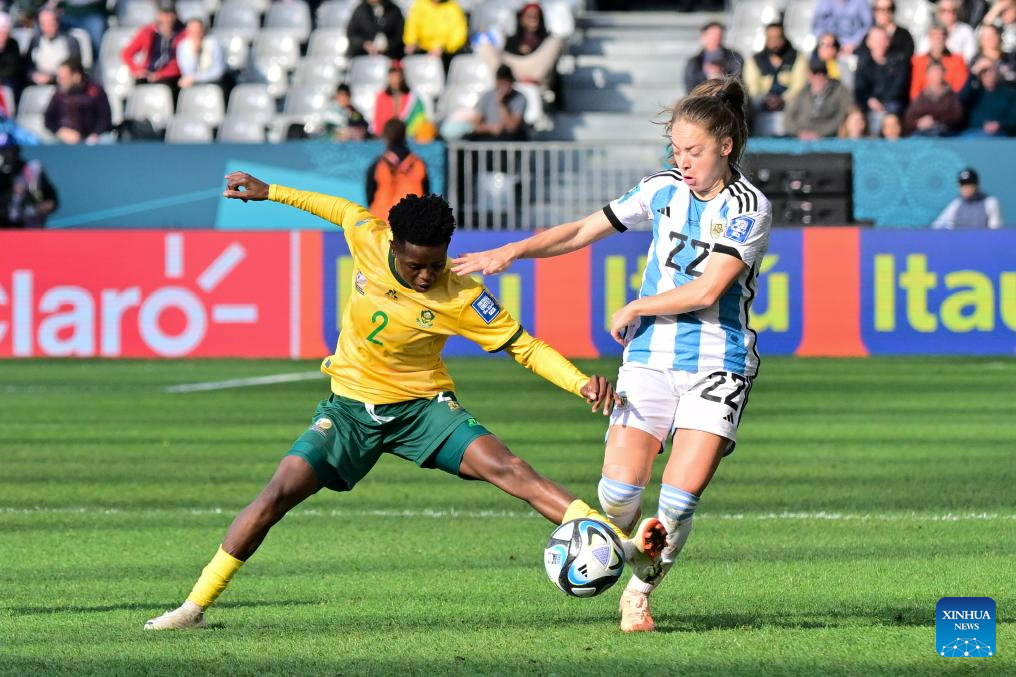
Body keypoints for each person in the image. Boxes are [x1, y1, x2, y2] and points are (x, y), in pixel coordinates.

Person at [143, 173, 666, 631]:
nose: (425, 275)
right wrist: (270, 192)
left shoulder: (461, 296)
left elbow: (524, 347)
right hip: (349, 410)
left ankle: (621, 547)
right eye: (416, 265)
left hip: (422, 409)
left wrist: (579, 383)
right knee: (274, 496)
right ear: (393, 245)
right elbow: (334, 207)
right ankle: (193, 607)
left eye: (434, 265)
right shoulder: (367, 239)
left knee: (510, 469)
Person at [453, 76, 771, 634]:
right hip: (649, 357)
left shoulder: (749, 208)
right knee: (618, 495)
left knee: (676, 500)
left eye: (693, 150)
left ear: (725, 145)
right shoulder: (660, 188)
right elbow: (582, 230)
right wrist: (512, 251)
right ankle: (622, 549)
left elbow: (707, 291)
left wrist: (636, 305)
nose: (682, 160)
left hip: (718, 363)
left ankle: (638, 595)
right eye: (675, 148)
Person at [366, 118, 428, 220]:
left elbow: (370, 194)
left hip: (383, 220)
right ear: (404, 135)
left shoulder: (378, 164)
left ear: (385, 136)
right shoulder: (419, 163)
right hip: (413, 220)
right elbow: (426, 193)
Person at [43, 58, 112, 144]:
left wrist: (95, 135)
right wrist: (61, 132)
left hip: (93, 140)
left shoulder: (95, 92)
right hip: (64, 140)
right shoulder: (58, 94)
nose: (59, 81)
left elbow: (104, 118)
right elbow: (48, 120)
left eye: (63, 78)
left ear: (76, 76)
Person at [854, 25, 911, 124]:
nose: (879, 43)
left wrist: (883, 103)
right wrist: (869, 100)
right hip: (869, 104)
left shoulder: (899, 60)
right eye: (876, 39)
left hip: (892, 104)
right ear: (868, 42)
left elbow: (899, 87)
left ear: (888, 41)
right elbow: (860, 89)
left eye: (883, 39)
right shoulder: (862, 63)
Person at [785, 58, 854, 139]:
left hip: (830, 138)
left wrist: (821, 133)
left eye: (823, 72)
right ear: (809, 75)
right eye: (815, 73)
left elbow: (846, 114)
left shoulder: (839, 90)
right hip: (801, 138)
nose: (819, 76)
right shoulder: (802, 93)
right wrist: (799, 132)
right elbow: (788, 118)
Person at [121, 0, 184, 87]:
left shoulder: (182, 33)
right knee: (140, 84)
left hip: (170, 77)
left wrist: (160, 75)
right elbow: (126, 53)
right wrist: (137, 70)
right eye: (164, 14)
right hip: (148, 73)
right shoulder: (148, 32)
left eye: (170, 14)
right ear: (158, 15)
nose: (167, 18)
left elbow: (179, 63)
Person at [0, 133, 58, 228]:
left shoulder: (31, 170)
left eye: (9, 151)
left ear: (16, 151)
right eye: (2, 151)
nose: (6, 155)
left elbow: (51, 201)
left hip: (27, 228)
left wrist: (37, 206)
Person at [465, 64, 527, 141]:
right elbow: (476, 124)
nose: (505, 87)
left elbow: (512, 127)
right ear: (497, 82)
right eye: (502, 82)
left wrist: (502, 104)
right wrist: (491, 128)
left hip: (509, 139)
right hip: (489, 136)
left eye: (507, 83)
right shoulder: (487, 96)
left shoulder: (519, 98)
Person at [903, 60, 964, 136]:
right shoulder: (921, 97)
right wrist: (918, 123)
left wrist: (934, 120)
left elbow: (957, 117)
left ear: (944, 74)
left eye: (939, 71)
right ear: (927, 75)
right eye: (933, 72)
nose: (936, 74)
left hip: (944, 132)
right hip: (923, 132)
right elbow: (908, 119)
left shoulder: (952, 96)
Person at [403, 0, 467, 71]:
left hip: (445, 51)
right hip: (423, 49)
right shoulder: (420, 5)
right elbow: (412, 25)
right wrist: (410, 42)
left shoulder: (453, 8)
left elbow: (458, 33)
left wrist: (443, 47)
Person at [932, 167, 1003, 229]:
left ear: (976, 186)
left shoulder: (989, 203)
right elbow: (937, 226)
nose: (966, 189)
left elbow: (995, 232)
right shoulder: (956, 204)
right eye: (963, 186)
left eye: (969, 185)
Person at [910, 24, 968, 99]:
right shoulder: (917, 61)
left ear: (946, 38)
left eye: (941, 36)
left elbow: (959, 88)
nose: (938, 40)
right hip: (923, 105)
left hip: (949, 104)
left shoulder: (958, 60)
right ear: (929, 38)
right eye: (934, 36)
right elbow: (915, 91)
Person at [27, 7, 82, 86]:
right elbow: (28, 67)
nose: (48, 27)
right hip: (38, 84)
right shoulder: (35, 41)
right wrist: (34, 75)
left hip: (63, 85)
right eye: (44, 24)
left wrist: (52, 77)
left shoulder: (70, 41)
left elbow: (75, 70)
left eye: (50, 23)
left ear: (57, 22)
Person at [960, 61, 1016, 136]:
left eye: (991, 70)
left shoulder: (1009, 93)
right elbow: (962, 98)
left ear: (996, 72)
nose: (988, 74)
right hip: (973, 133)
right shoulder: (974, 92)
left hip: (1000, 134)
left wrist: (999, 125)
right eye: (984, 71)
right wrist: (973, 72)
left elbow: (1013, 119)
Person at [684, 22, 743, 93]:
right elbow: (690, 89)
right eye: (713, 36)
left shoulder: (734, 57)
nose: (717, 39)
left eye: (719, 36)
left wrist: (722, 77)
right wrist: (708, 77)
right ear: (703, 37)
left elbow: (740, 82)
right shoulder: (695, 62)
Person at [369, 62, 423, 137]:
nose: (394, 78)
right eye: (391, 75)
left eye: (396, 75)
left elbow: (418, 118)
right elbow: (378, 120)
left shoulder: (412, 97)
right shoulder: (381, 96)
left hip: (407, 135)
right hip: (386, 135)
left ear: (402, 77)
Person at [176, 18, 225, 90]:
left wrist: (195, 78)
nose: (195, 34)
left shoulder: (213, 44)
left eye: (197, 31)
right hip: (192, 84)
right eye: (192, 31)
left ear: (203, 31)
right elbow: (186, 72)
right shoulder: (183, 46)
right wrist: (194, 55)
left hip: (212, 83)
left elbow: (218, 72)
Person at [0, 13, 24, 98]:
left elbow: (13, 68)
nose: (3, 36)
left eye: (5, 33)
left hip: (8, 81)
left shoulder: (13, 44)